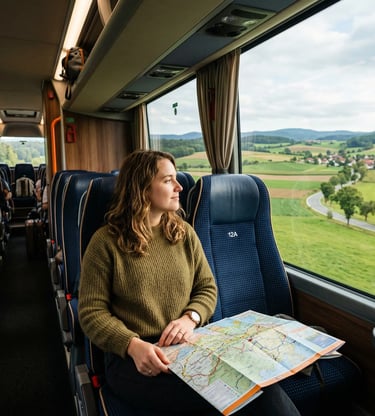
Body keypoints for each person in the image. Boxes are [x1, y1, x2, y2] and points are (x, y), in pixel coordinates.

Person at [78, 150, 301, 416]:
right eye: (168, 180)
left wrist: (190, 318)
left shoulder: (183, 233)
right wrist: (131, 344)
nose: (179, 186)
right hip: (135, 358)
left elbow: (207, 288)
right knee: (250, 398)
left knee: (262, 389)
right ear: (142, 189)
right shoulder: (105, 243)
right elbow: (91, 313)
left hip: (190, 345)